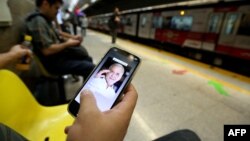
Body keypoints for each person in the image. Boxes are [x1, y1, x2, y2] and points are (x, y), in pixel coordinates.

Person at [24, 0, 95, 79]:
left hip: (58, 57)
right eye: (56, 8)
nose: (57, 12)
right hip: (52, 63)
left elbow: (58, 33)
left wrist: (73, 37)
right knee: (90, 68)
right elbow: (47, 50)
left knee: (88, 59)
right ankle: (85, 90)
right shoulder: (38, 21)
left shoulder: (45, 20)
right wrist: (68, 44)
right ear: (45, 4)